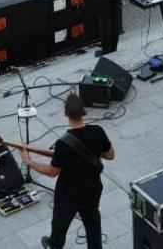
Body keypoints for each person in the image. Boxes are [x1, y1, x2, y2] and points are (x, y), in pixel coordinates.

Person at [19, 93, 114, 249]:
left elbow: (52, 171)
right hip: (92, 188)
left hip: (69, 193)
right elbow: (110, 155)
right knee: (92, 223)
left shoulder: (63, 144)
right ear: (83, 111)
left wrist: (29, 162)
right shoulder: (97, 131)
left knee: (60, 224)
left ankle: (54, 245)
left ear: (65, 113)